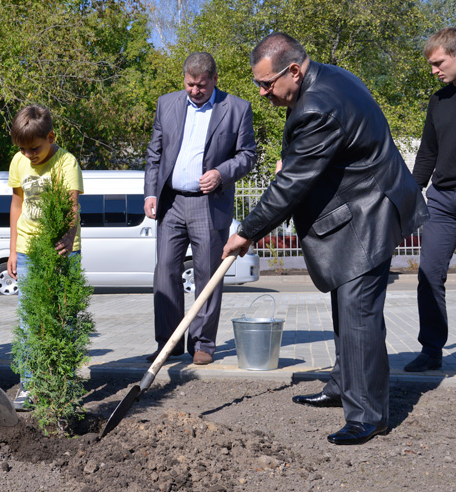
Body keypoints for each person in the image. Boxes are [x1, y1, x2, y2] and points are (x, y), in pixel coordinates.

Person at [223, 33, 428, 445]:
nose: (262, 92)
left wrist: (246, 232)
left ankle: (368, 415)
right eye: (258, 84)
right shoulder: (332, 76)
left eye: (266, 84)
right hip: (361, 204)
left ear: (294, 71)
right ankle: (342, 386)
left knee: (359, 313)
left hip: (369, 213)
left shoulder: (317, 106)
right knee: (345, 305)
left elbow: (290, 186)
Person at [143, 52, 257, 365]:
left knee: (207, 274)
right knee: (165, 272)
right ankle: (168, 344)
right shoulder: (166, 103)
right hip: (171, 203)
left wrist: (222, 173)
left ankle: (202, 344)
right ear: (184, 79)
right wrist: (150, 193)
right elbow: (155, 153)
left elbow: (248, 155)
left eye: (201, 86)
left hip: (209, 205)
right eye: (190, 84)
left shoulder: (237, 108)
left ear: (215, 79)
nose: (195, 91)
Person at [6, 104, 83, 411]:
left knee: (63, 319)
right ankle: (30, 384)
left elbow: (72, 206)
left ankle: (62, 384)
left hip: (61, 250)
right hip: (27, 249)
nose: (28, 155)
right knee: (30, 321)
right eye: (22, 149)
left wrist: (68, 236)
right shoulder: (18, 161)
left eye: (34, 149)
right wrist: (13, 249)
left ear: (51, 137)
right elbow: (17, 205)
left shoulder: (67, 162)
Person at [406, 27, 456, 373]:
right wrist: (408, 195)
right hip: (442, 201)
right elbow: (427, 154)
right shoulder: (438, 101)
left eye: (439, 63)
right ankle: (431, 350)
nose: (434, 70)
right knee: (429, 274)